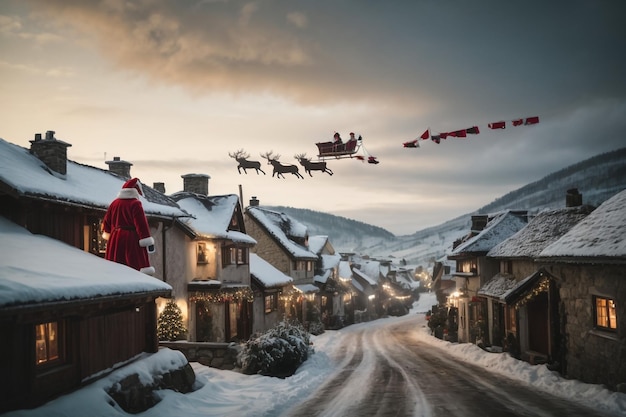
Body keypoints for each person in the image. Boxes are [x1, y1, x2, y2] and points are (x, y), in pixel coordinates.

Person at [102, 178, 155, 274]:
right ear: (135, 191)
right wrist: (147, 241)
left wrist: (110, 234)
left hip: (114, 238)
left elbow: (106, 222)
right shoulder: (135, 204)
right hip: (130, 238)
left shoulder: (114, 204)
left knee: (115, 265)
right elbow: (141, 224)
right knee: (133, 264)